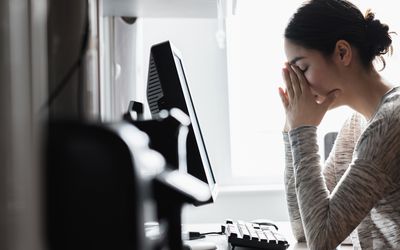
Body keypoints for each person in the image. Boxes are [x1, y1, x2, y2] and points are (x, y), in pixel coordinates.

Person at [278, 0, 400, 249]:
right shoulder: (356, 126)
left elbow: (321, 240)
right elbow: (304, 226)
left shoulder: (390, 122)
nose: (298, 83)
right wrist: (292, 128)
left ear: (342, 53)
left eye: (302, 68)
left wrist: (303, 130)